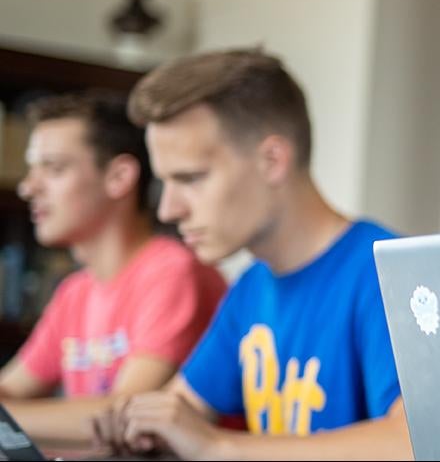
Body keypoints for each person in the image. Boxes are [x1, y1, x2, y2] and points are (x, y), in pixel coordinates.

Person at [90, 49, 410, 460]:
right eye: (165, 182)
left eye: (189, 178)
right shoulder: (252, 287)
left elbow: (416, 444)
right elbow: (179, 411)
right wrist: (133, 426)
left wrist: (220, 447)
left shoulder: (384, 272)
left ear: (272, 160)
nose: (169, 209)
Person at [0, 91, 226, 448]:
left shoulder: (173, 272)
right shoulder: (75, 291)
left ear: (119, 177)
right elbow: (11, 388)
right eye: (31, 169)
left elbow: (126, 415)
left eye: (54, 168)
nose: (29, 188)